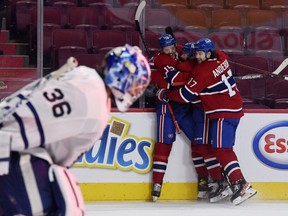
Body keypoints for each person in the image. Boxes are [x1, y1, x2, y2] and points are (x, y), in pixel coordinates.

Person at [0, 44, 151, 215]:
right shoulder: (94, 103)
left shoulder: (85, 75)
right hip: (11, 156)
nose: (136, 90)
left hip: (14, 150)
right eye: (136, 83)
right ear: (123, 77)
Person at [160, 38, 257, 205]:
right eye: (196, 53)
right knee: (220, 149)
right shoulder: (222, 57)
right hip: (233, 109)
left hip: (222, 111)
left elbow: (185, 96)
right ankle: (231, 183)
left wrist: (165, 94)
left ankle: (241, 184)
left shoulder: (203, 72)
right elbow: (205, 62)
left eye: (199, 53)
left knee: (221, 149)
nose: (197, 56)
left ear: (208, 52)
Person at [150, 34, 196, 202]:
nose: (169, 51)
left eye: (171, 48)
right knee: (164, 144)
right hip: (166, 107)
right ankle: (157, 183)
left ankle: (207, 181)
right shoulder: (161, 59)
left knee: (199, 140)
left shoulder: (180, 52)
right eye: (165, 49)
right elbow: (176, 81)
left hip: (182, 106)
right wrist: (195, 77)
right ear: (161, 49)